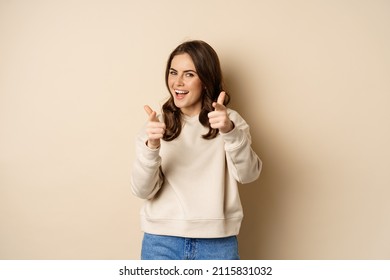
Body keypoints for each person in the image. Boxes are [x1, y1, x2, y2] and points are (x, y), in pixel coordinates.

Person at [130, 40, 262, 260]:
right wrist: (152, 147)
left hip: (217, 244)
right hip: (161, 242)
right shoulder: (156, 126)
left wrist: (229, 132)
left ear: (206, 79)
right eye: (173, 72)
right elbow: (142, 191)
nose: (177, 82)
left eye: (189, 74)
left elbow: (249, 175)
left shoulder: (229, 121)